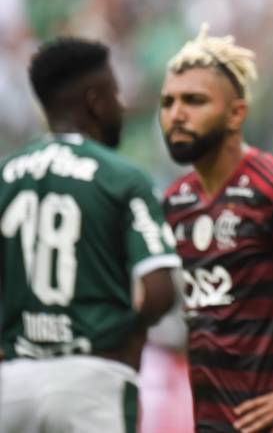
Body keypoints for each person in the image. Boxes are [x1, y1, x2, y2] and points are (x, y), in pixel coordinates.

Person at [0, 38, 179, 433]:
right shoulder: (121, 177)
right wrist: (118, 335)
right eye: (115, 93)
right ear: (96, 101)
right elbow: (160, 289)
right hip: (93, 379)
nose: (122, 105)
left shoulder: (5, 176)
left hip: (12, 386)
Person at [159, 27, 273, 433]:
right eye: (168, 102)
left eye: (194, 101)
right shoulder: (177, 201)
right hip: (212, 423)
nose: (176, 114)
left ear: (236, 113)